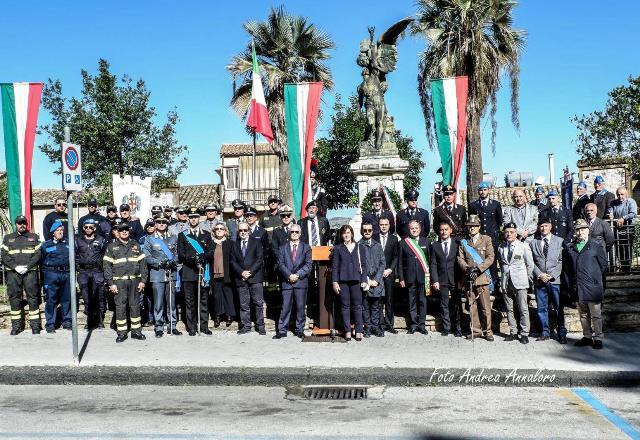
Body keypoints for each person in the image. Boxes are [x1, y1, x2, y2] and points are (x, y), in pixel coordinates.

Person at [565, 219, 608, 349]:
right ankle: (587, 337)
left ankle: (598, 338)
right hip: (578, 286)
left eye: (583, 229)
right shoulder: (570, 247)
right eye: (577, 230)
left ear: (588, 231)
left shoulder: (596, 245)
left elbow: (603, 265)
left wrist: (595, 278)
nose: (580, 232)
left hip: (592, 286)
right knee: (583, 314)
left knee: (596, 315)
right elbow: (568, 267)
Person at [103, 223, 148, 343]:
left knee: (135, 306)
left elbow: (143, 264)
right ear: (118, 232)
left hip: (135, 281)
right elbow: (107, 266)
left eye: (126, 230)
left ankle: (136, 331)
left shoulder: (136, 245)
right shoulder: (111, 247)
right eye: (122, 230)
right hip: (119, 282)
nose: (124, 232)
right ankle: (122, 333)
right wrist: (111, 283)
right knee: (121, 307)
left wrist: (143, 280)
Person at [1, 216, 42, 335]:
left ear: (26, 224)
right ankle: (16, 326)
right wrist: (15, 267)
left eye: (24, 223)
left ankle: (35, 326)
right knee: (14, 298)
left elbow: (37, 254)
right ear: (16, 224)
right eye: (19, 223)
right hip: (13, 273)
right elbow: (4, 255)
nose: (22, 225)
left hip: (30, 273)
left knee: (33, 297)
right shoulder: (8, 238)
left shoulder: (34, 237)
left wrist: (27, 267)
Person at [457, 214, 495, 341]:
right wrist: (467, 268)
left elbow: (490, 258)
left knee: (485, 308)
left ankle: (488, 331)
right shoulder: (464, 242)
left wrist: (478, 269)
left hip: (482, 278)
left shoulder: (486, 240)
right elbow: (460, 258)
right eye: (469, 226)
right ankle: (476, 331)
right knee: (472, 307)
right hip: (469, 279)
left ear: (479, 226)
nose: (471, 228)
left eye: (474, 226)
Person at [177, 207, 214, 336]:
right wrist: (192, 259)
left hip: (203, 273)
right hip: (188, 272)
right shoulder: (182, 235)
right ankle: (191, 327)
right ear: (188, 219)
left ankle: (204, 326)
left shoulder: (206, 234)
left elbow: (211, 252)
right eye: (191, 217)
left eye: (196, 217)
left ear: (199, 218)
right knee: (190, 302)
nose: (193, 219)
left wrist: (202, 257)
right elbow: (180, 254)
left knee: (204, 301)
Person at [143, 216, 181, 337]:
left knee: (171, 302)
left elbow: (178, 254)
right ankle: (158, 327)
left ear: (167, 224)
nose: (161, 224)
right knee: (158, 303)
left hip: (171, 273)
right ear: (155, 224)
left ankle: (172, 326)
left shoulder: (173, 238)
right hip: (157, 274)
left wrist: (173, 261)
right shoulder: (150, 239)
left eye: (163, 222)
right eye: (158, 222)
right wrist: (158, 263)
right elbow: (147, 256)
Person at [530, 218, 566, 344]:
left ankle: (561, 333)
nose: (543, 228)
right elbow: (531, 262)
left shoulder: (559, 241)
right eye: (541, 226)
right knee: (541, 308)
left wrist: (552, 275)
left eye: (546, 226)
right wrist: (540, 274)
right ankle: (545, 332)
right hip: (540, 281)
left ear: (550, 226)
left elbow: (562, 261)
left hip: (555, 280)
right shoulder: (533, 242)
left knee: (558, 307)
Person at [274, 224, 312, 339]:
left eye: (296, 232)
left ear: (300, 234)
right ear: (289, 233)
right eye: (292, 232)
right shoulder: (282, 248)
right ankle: (282, 330)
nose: (294, 233)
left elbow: (308, 265)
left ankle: (299, 329)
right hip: (287, 281)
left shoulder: (306, 248)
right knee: (285, 307)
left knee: (300, 307)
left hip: (300, 282)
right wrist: (289, 275)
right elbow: (281, 264)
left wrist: (297, 275)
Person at [498, 222, 534, 344]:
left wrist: (525, 277)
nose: (509, 234)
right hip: (506, 282)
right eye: (506, 232)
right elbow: (502, 264)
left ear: (516, 233)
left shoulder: (523, 246)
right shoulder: (501, 247)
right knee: (509, 309)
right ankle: (513, 331)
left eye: (511, 232)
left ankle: (524, 333)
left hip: (520, 281)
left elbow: (530, 265)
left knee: (523, 308)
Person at [331, 225, 367, 341]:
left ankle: (359, 331)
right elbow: (335, 267)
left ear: (352, 234)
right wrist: (335, 282)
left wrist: (364, 279)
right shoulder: (338, 248)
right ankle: (347, 331)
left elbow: (364, 265)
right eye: (344, 233)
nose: (346, 235)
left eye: (348, 232)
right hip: (343, 281)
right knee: (345, 306)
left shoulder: (359, 247)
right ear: (341, 235)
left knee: (357, 306)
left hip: (356, 280)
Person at [231, 222, 266, 335]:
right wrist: (241, 272)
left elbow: (259, 259)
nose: (243, 232)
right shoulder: (235, 244)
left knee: (258, 303)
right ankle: (246, 326)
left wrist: (250, 272)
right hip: (241, 278)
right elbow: (232, 261)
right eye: (240, 230)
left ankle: (260, 326)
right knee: (244, 304)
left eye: (245, 230)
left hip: (255, 277)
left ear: (249, 231)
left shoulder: (256, 242)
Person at [429, 221, 463, 337]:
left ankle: (458, 328)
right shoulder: (435, 245)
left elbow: (461, 262)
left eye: (446, 229)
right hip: (442, 279)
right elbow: (433, 264)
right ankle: (446, 328)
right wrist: (435, 280)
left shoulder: (457, 244)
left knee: (457, 304)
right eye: (441, 230)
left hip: (455, 279)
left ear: (451, 230)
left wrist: (461, 280)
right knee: (444, 305)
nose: (443, 232)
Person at [398, 220, 431, 335]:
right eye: (412, 228)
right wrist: (401, 278)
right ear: (409, 229)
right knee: (411, 301)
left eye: (416, 228)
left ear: (420, 229)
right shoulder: (403, 243)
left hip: (423, 277)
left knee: (422, 301)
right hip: (410, 277)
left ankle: (422, 325)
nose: (414, 230)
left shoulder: (426, 241)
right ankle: (413, 324)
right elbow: (400, 263)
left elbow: (430, 261)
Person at [76, 218, 108, 329]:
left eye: (91, 227)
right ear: (83, 228)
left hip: (97, 271)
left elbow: (105, 256)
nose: (88, 229)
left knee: (99, 297)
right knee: (86, 298)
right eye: (86, 227)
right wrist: (78, 269)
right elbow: (75, 257)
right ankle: (89, 321)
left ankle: (99, 321)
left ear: (94, 228)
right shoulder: (78, 240)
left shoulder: (101, 239)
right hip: (84, 272)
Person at [468, 182, 503, 282]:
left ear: (488, 190)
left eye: (485, 190)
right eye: (480, 190)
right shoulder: (473, 206)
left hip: (492, 239)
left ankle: (495, 286)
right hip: (479, 239)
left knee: (492, 262)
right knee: (479, 262)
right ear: (478, 191)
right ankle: (481, 284)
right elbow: (471, 221)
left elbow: (499, 221)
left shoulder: (496, 205)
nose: (482, 192)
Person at [41, 221, 71, 333]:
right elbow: (42, 262)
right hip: (51, 274)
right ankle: (50, 324)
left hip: (66, 273)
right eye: (57, 231)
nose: (60, 232)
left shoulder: (69, 244)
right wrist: (45, 278)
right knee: (51, 300)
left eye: (61, 230)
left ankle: (67, 322)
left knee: (66, 299)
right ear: (53, 232)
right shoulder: (46, 245)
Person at [359, 221, 386, 337]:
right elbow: (358, 264)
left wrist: (376, 279)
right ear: (362, 231)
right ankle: (367, 327)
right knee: (365, 305)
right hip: (365, 281)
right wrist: (366, 279)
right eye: (365, 230)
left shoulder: (378, 245)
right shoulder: (358, 245)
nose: (367, 232)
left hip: (376, 281)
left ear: (372, 231)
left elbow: (382, 263)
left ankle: (375, 327)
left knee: (375, 306)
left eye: (369, 230)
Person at [373, 217, 399, 334]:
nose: (384, 226)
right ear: (379, 225)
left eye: (386, 224)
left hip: (389, 274)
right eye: (381, 224)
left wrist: (390, 269)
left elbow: (395, 256)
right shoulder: (374, 238)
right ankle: (381, 324)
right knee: (378, 300)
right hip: (377, 274)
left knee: (389, 300)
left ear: (389, 226)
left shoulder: (394, 239)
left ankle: (390, 324)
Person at [210, 222, 236, 328]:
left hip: (227, 274)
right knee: (217, 296)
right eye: (217, 229)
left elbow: (233, 259)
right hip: (215, 273)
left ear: (225, 231)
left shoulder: (230, 243)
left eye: (221, 228)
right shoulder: (211, 244)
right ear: (214, 231)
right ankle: (218, 316)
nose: (219, 230)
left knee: (228, 295)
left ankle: (229, 316)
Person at [607, 186, 638, 272]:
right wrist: (610, 215)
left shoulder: (631, 202)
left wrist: (623, 218)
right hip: (617, 231)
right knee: (618, 250)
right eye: (618, 194)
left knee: (627, 250)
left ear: (626, 194)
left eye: (622, 194)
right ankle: (621, 269)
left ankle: (627, 270)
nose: (620, 196)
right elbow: (610, 211)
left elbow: (633, 213)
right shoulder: (614, 202)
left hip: (628, 230)